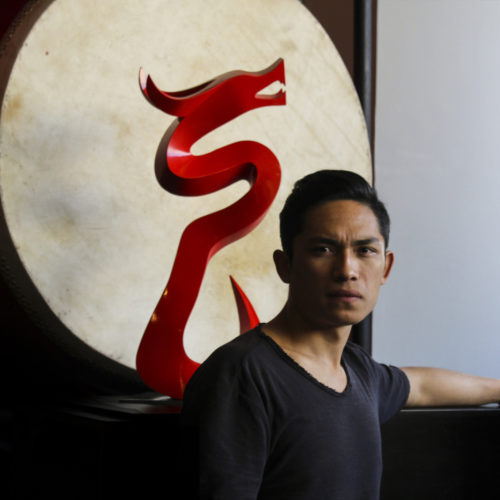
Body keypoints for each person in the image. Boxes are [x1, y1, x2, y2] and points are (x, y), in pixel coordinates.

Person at [181, 170, 500, 500]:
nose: (347, 270)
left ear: (386, 267)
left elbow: (421, 385)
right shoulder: (242, 374)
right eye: (323, 249)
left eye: (365, 251)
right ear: (285, 265)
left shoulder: (359, 372)